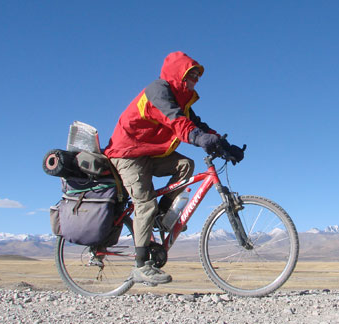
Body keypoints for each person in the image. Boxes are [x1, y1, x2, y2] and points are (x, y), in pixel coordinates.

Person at [104, 51, 243, 285]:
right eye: (192, 75)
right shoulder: (158, 90)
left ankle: (161, 216)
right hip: (126, 152)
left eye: (198, 77)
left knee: (185, 165)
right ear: (179, 74)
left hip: (147, 152)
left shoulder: (183, 101)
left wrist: (226, 146)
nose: (196, 80)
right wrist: (199, 139)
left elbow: (198, 125)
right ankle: (140, 266)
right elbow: (176, 120)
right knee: (145, 203)